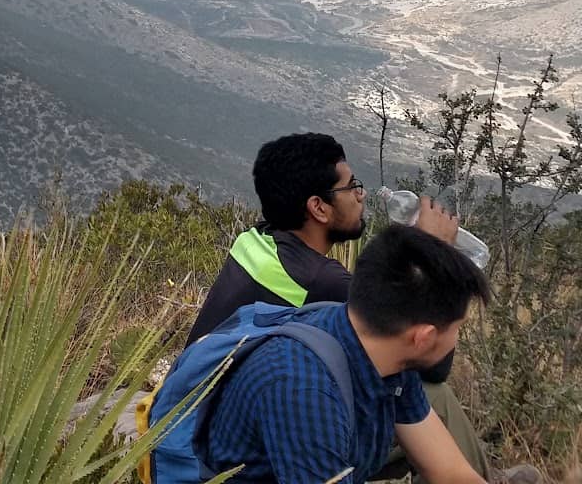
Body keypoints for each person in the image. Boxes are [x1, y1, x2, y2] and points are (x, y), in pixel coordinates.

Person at [186, 133, 511, 480]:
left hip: (204, 411)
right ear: (318, 207)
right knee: (438, 396)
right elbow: (430, 357)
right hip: (231, 443)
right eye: (352, 186)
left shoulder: (258, 241)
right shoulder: (321, 282)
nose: (362, 194)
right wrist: (430, 248)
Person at [196, 223, 492, 483]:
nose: (456, 338)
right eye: (457, 328)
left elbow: (450, 472)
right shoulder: (305, 393)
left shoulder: (386, 352)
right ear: (423, 338)